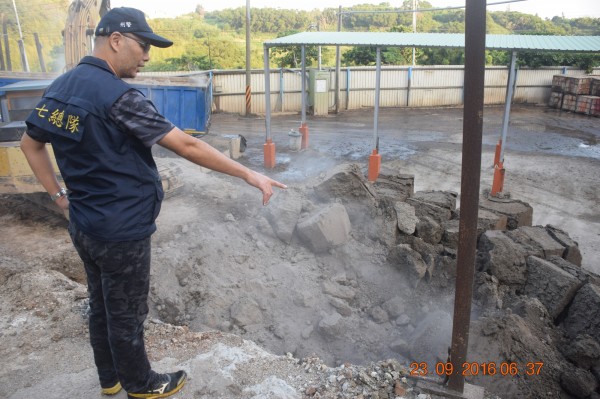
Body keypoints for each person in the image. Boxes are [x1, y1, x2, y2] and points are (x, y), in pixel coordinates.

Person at [20, 7, 286, 399]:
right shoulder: (120, 97)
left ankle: (109, 379)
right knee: (127, 313)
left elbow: (31, 143)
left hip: (84, 223)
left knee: (100, 303)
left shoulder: (60, 86)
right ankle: (141, 385)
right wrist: (250, 174)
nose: (146, 56)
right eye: (143, 46)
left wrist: (60, 198)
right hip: (121, 229)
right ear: (115, 41)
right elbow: (187, 144)